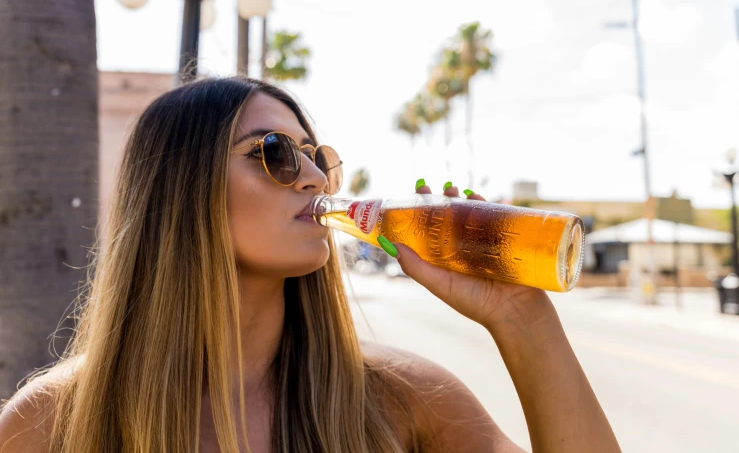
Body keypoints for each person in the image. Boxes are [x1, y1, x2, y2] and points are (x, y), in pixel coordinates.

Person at [0, 77, 621, 453]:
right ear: (178, 187)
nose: (316, 178)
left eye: (316, 155)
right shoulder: (55, 421)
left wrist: (524, 321)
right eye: (273, 153)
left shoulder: (399, 401)